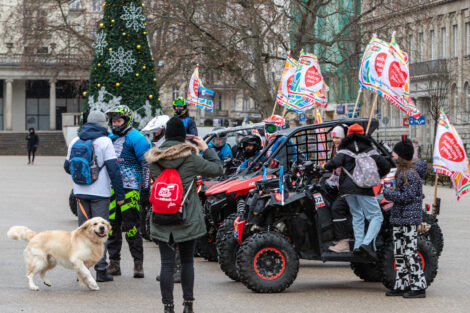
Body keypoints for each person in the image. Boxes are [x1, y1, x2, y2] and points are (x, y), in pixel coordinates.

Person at [145, 117, 223, 313]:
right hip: (186, 216)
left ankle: (167, 307)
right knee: (187, 262)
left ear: (166, 135)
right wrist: (206, 148)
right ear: (183, 137)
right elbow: (218, 169)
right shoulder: (192, 159)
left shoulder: (154, 160)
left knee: (166, 264)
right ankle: (188, 305)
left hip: (162, 215)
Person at [64, 111, 125, 282]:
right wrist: (120, 195)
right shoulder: (105, 141)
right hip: (100, 194)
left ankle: (82, 270)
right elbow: (114, 170)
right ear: (102, 124)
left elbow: (67, 167)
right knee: (100, 233)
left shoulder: (76, 140)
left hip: (80, 193)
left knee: (83, 233)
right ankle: (100, 271)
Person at [323, 123, 391, 260]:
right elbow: (386, 166)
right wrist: (377, 175)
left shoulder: (344, 151)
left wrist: (323, 166)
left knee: (357, 216)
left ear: (348, 135)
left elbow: (332, 164)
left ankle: (357, 247)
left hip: (347, 190)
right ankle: (366, 244)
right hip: (364, 188)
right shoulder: (370, 150)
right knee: (376, 216)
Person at [105, 105, 150, 279]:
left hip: (131, 188)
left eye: (119, 120)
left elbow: (146, 165)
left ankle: (138, 263)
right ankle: (114, 263)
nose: (115, 124)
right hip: (111, 190)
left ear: (127, 120)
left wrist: (145, 189)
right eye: (113, 121)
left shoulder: (137, 138)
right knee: (111, 227)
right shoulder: (109, 138)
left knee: (132, 228)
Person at [383, 135, 427, 298]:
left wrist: (388, 193)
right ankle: (401, 284)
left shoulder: (410, 174)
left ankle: (418, 286)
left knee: (410, 252)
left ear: (401, 155)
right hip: (400, 218)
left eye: (395, 152)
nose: (392, 155)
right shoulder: (401, 172)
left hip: (408, 219)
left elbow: (406, 196)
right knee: (399, 252)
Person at [326, 125, 353, 253]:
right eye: (334, 137)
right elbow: (336, 173)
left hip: (350, 189)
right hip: (344, 187)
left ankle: (344, 241)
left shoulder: (345, 151)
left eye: (338, 137)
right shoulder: (339, 150)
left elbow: (337, 167)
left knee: (337, 208)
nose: (335, 140)